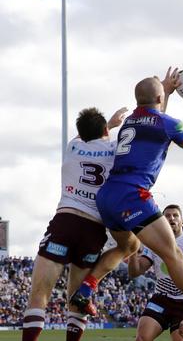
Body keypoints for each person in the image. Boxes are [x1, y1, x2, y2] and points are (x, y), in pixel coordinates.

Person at [69, 67, 183, 332]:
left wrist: (163, 89)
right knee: (173, 253)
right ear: (160, 99)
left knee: (128, 248)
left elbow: (153, 117)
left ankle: (88, 286)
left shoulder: (130, 120)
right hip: (133, 194)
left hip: (108, 196)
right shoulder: (168, 123)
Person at [22, 106, 128, 341]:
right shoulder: (115, 150)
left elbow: (87, 134)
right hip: (94, 230)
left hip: (66, 221)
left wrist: (108, 124)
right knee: (76, 301)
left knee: (39, 295)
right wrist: (110, 128)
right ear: (103, 130)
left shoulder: (73, 146)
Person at [128, 204, 183, 341]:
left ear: (182, 221)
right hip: (161, 299)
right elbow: (135, 272)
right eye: (167, 216)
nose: (171, 218)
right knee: (141, 339)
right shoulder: (153, 242)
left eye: (175, 215)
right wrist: (132, 251)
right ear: (162, 221)